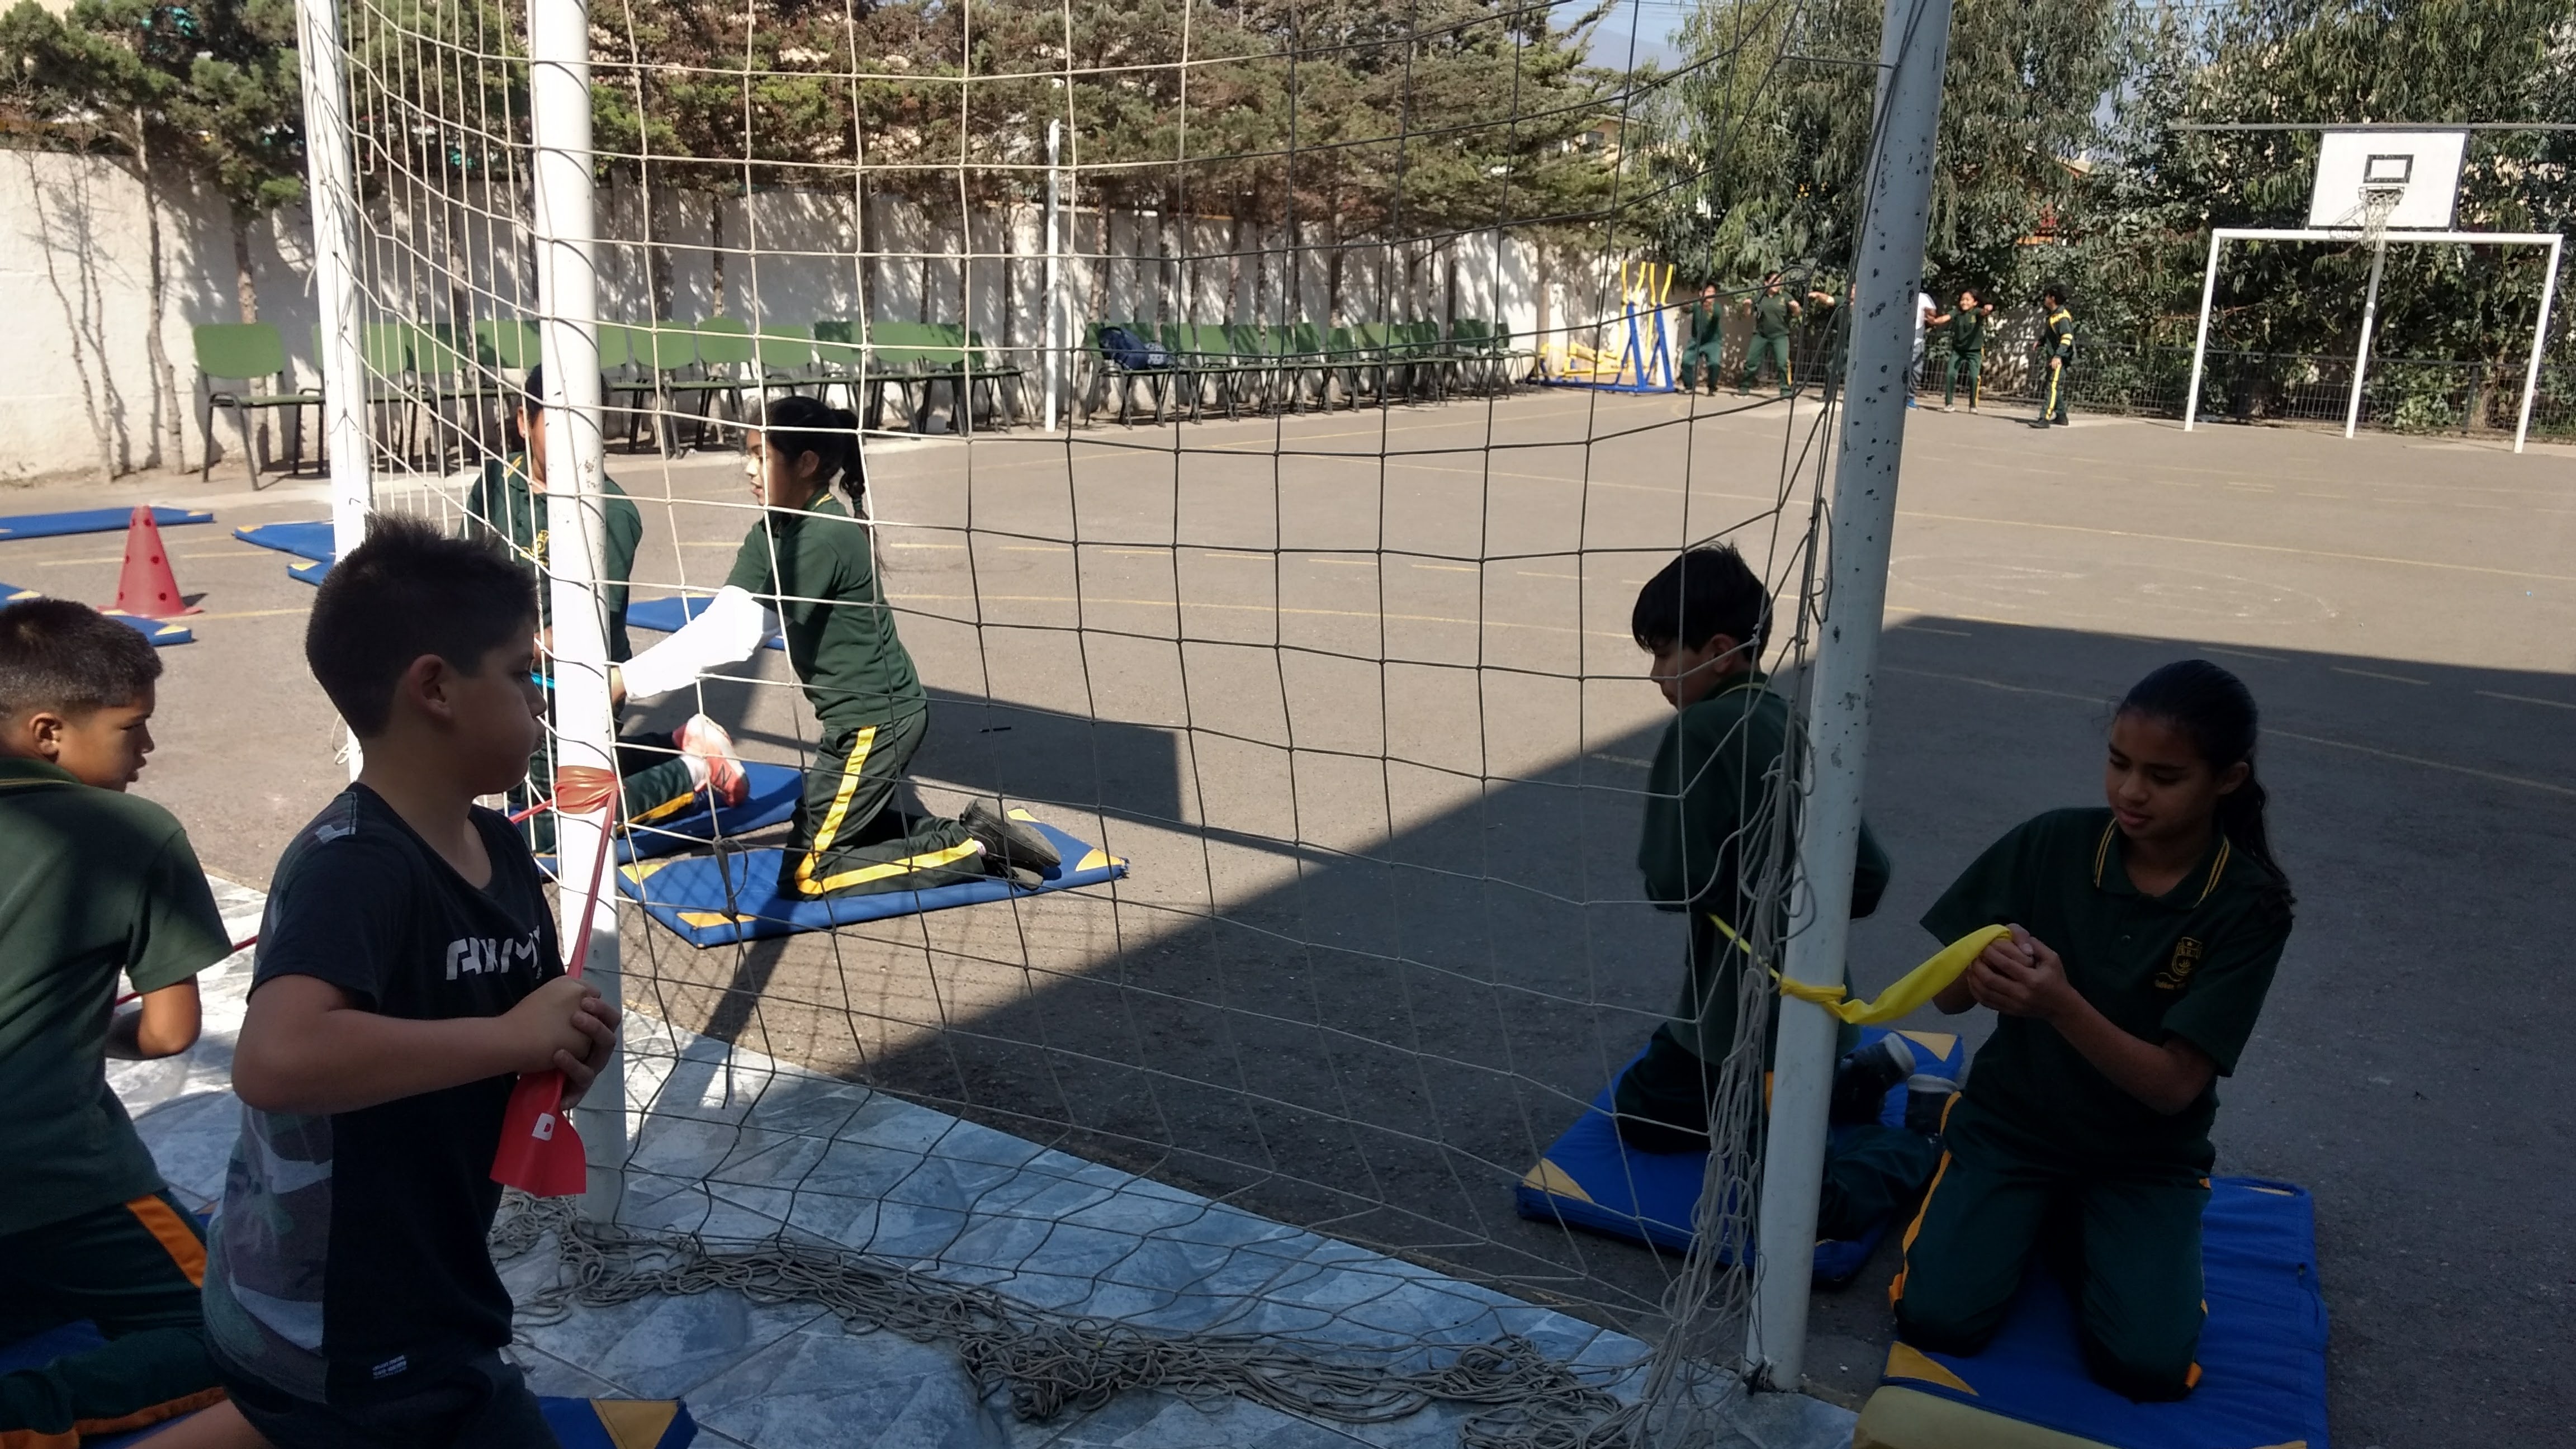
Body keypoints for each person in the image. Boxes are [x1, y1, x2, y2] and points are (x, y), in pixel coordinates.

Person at [204, 519, 619, 1447]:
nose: (540, 701)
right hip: (335, 1317)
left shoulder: (501, 847)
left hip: (427, 1271)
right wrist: (511, 1038)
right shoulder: (355, 865)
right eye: (522, 674)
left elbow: (501, 1038)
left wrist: (557, 1053)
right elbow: (276, 1060)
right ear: (434, 688)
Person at [1891, 660, 2294, 1401]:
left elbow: (2173, 1089)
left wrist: (2060, 1004)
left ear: (2228, 779)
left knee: (2147, 1365)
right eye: (2118, 763)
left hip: (2144, 1159)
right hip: (2013, 1128)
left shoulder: (2249, 904)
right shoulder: (2052, 843)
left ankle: (2087, 1226)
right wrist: (1980, 969)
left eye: (2164, 777)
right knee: (1937, 1318)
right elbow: (1947, 1000)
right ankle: (2015, 1202)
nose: (2131, 791)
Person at [1612, 547, 1938, 1240]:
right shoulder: (1784, 717)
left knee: (1799, 1211)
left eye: (1665, 654)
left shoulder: (1699, 729)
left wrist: (1734, 887)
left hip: (1757, 1023)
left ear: (1719, 652)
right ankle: (1844, 1084)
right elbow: (1870, 873)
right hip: (1773, 1001)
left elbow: (1672, 883)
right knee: (1644, 1107)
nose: (1656, 675)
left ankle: (1924, 1139)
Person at [613, 396, 1059, 898]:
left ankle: (971, 848)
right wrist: (628, 675)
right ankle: (967, 830)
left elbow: (739, 632)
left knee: (808, 876)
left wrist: (626, 679)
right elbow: (727, 612)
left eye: (761, 456)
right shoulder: (776, 526)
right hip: (854, 723)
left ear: (806, 463)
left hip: (877, 721)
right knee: (825, 829)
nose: (748, 468)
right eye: (747, 454)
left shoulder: (822, 535)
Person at [0, 599, 248, 1449]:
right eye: (131, 726)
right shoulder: (134, 833)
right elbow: (170, 1033)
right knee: (250, 1345)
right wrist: (91, 1033)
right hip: (57, 1169)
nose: (147, 747)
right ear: (48, 732)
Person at [466, 366, 745, 850]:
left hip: (571, 689)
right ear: (523, 422)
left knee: (549, 833)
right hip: (500, 675)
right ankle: (677, 742)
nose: (576, 443)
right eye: (558, 426)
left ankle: (694, 770)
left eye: (588, 427)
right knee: (506, 787)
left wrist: (497, 652)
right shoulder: (495, 481)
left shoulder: (610, 512)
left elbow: (583, 633)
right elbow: (463, 576)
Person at [1735, 273, 1799, 397]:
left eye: (1779, 282)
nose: (1777, 284)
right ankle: (1744, 387)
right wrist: (1747, 306)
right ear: (1766, 283)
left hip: (1780, 335)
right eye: (1774, 281)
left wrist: (1796, 308)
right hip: (1761, 335)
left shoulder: (1785, 297)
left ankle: (1785, 391)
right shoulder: (1760, 296)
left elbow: (1797, 313)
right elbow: (1747, 314)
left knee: (1782, 363)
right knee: (1751, 362)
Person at [1934, 289, 1995, 411]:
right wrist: (1934, 321)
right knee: (1950, 374)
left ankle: (1973, 405)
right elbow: (1945, 318)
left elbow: (1984, 312)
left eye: (1968, 300)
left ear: (1975, 302)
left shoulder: (1976, 312)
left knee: (1973, 377)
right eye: (1962, 300)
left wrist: (1988, 309)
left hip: (1974, 351)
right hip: (1958, 350)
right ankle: (1949, 404)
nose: (1964, 302)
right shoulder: (1957, 312)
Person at [2030, 285, 2076, 428]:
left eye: (2047, 296)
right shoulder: (2053, 315)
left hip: (2060, 359)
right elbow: (2052, 335)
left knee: (2053, 387)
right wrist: (2041, 341)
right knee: (2053, 386)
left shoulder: (2062, 317)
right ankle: (2061, 416)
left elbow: (2067, 338)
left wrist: (2058, 356)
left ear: (2053, 298)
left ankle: (2044, 418)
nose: (2045, 299)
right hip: (2054, 357)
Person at [1806, 281, 1854, 409]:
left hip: (1857, 344)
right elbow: (1829, 300)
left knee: (1853, 372)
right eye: (1852, 287)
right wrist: (1818, 295)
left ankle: (1853, 397)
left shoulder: (1865, 304)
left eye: (1855, 288)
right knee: (1831, 368)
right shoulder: (1842, 301)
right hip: (1842, 343)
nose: (1853, 290)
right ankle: (1828, 394)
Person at [1680, 283, 1726, 395]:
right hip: (1696, 341)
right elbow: (1687, 309)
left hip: (1713, 342)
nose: (1711, 294)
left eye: (1713, 292)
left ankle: (1712, 388)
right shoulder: (1697, 304)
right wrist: (1685, 306)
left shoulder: (1716, 307)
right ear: (1701, 294)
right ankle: (1689, 387)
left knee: (1714, 364)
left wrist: (1710, 309)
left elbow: (1716, 315)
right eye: (1708, 292)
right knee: (1686, 361)